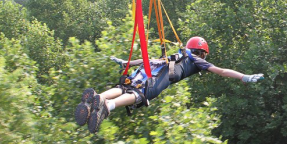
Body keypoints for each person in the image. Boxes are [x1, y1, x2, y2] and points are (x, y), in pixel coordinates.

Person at [75, 36, 264, 133]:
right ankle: (107, 106)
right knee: (139, 95)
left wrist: (127, 63)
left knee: (124, 86)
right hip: (158, 78)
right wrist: (243, 77)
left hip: (147, 70)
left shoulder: (177, 55)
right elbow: (221, 71)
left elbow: (147, 60)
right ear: (202, 53)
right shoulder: (196, 61)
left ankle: (99, 97)